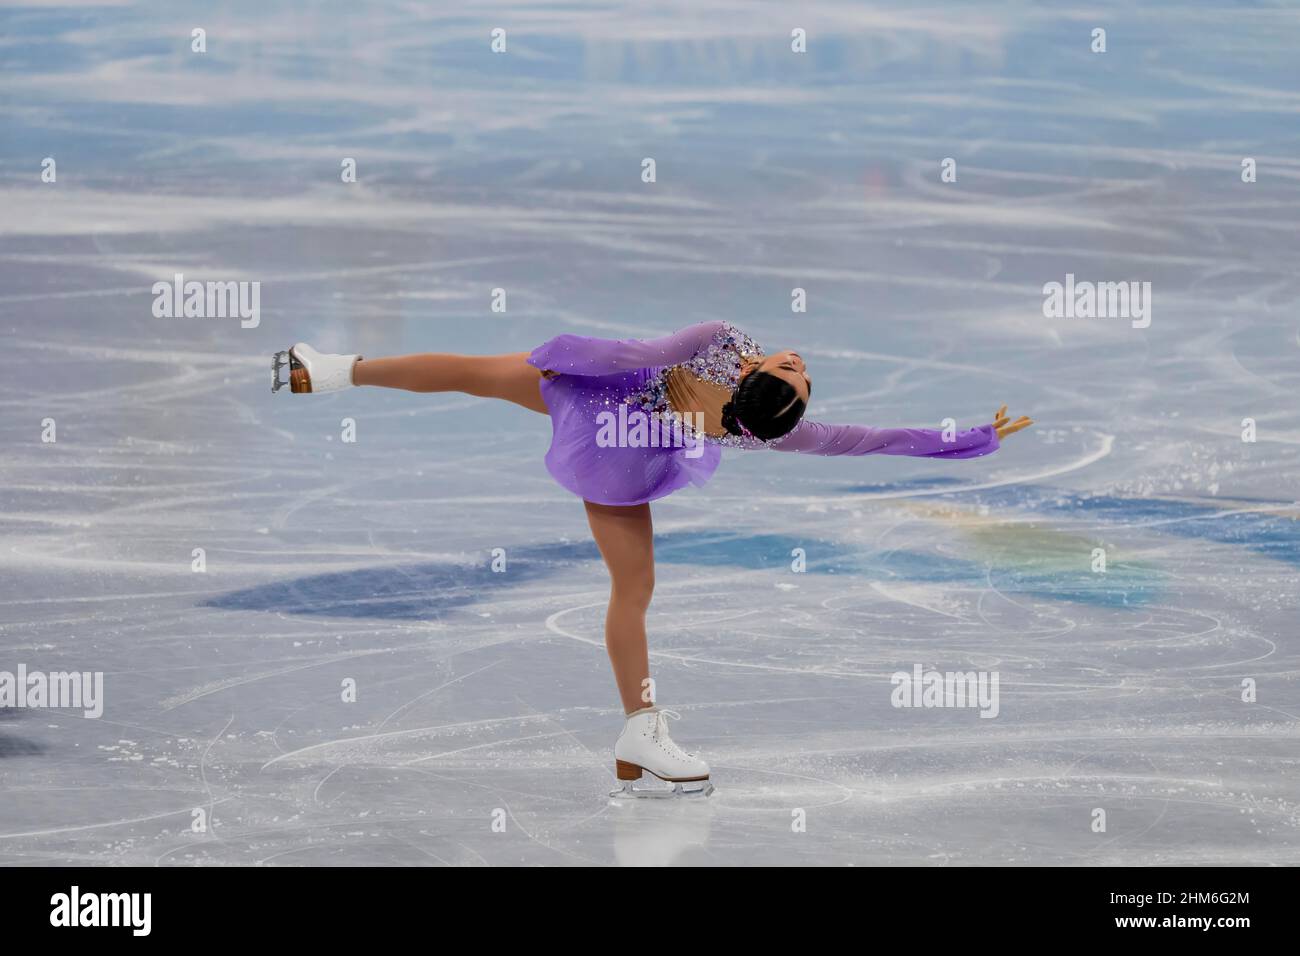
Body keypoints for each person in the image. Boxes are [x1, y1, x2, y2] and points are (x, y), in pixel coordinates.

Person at [272, 321, 1032, 796]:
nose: (801, 366)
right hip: (621, 454)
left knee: (476, 372)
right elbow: (859, 440)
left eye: (793, 377)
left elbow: (634, 354)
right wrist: (969, 439)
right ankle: (638, 730)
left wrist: (562, 355)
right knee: (633, 587)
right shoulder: (753, 427)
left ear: (755, 380)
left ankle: (331, 369)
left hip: (597, 412)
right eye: (801, 376)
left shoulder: (717, 345)